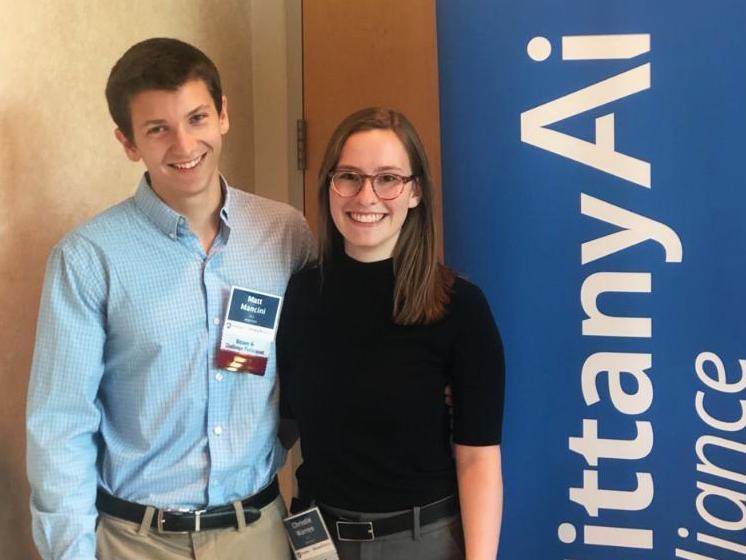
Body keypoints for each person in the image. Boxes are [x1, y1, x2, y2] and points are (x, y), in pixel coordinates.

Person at [26, 38, 315, 560]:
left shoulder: (286, 234)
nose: (184, 146)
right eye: (158, 129)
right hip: (135, 541)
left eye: (197, 118)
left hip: (259, 533)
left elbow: (318, 364)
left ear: (223, 115)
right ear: (128, 142)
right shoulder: (88, 258)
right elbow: (60, 427)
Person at [277, 107, 505, 560]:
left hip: (421, 542)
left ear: (415, 191)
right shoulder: (300, 295)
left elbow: (478, 459)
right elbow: (281, 425)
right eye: (349, 176)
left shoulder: (460, 306)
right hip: (316, 538)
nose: (366, 195)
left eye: (388, 178)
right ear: (329, 186)